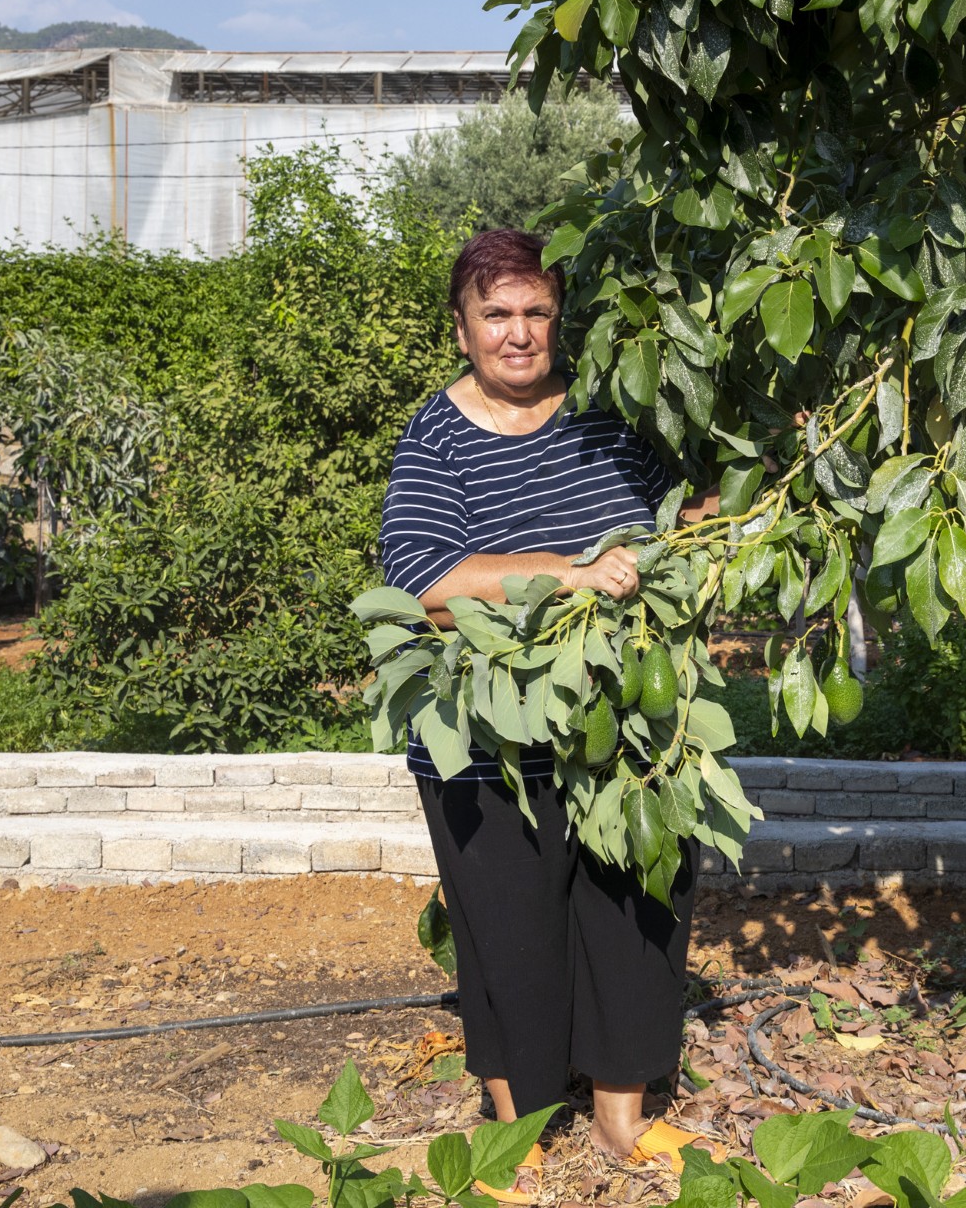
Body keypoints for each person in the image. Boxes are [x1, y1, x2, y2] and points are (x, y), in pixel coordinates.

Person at [379, 228, 722, 1203]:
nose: (519, 332)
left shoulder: (610, 423)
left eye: (535, 310)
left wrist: (733, 515)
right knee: (512, 936)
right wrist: (568, 575)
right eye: (497, 313)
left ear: (558, 319)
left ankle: (623, 1114)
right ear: (462, 326)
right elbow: (427, 582)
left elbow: (673, 529)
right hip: (486, 743)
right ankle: (516, 1129)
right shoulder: (435, 436)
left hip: (619, 736)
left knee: (634, 913)